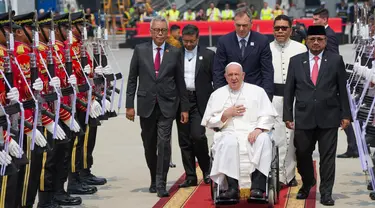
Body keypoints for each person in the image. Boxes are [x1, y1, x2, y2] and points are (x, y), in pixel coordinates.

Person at [283, 25, 351, 206]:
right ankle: (307, 182)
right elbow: (289, 91)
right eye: (312, 39)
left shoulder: (336, 60)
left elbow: (342, 91)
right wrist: (287, 115)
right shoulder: (296, 61)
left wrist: (346, 114)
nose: (315, 43)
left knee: (327, 157)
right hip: (304, 116)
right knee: (303, 153)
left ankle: (326, 192)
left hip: (329, 116)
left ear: (325, 41)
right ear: (307, 41)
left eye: (320, 39)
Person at [126, 16, 189, 198]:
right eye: (157, 30)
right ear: (151, 31)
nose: (160, 33)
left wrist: (184, 107)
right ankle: (154, 177)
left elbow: (180, 81)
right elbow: (132, 79)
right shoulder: (140, 50)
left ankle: (161, 183)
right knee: (149, 144)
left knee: (164, 143)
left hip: (168, 104)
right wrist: (129, 105)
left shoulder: (175, 52)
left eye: (163, 30)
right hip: (146, 104)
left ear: (166, 32)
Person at [202, 62, 277, 200]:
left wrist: (259, 129)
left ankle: (258, 188)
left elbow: (268, 115)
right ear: (225, 77)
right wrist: (225, 114)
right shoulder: (217, 94)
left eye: (236, 74)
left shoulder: (257, 91)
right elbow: (209, 121)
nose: (234, 77)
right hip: (228, 132)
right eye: (230, 75)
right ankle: (232, 188)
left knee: (264, 139)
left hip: (253, 130)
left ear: (243, 75)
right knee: (228, 142)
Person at [270, 15, 307, 187]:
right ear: (273, 29)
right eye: (277, 28)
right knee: (275, 138)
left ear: (291, 30)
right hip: (272, 99)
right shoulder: (267, 48)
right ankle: (275, 175)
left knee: (291, 139)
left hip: (294, 99)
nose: (280, 31)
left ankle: (290, 175)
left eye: (284, 28)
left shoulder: (300, 49)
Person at [176, 25, 214, 188]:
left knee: (198, 136)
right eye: (185, 41)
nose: (188, 44)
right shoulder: (176, 55)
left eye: (192, 41)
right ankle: (190, 175)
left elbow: (216, 79)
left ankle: (206, 170)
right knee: (184, 140)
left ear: (197, 39)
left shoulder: (208, 55)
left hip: (200, 101)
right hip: (182, 101)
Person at [213, 7, 274, 100]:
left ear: (251, 24)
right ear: (234, 23)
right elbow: (218, 71)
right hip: (230, 95)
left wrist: (267, 97)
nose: (241, 29)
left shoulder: (262, 41)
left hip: (255, 94)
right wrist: (220, 96)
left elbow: (267, 71)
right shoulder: (224, 41)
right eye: (238, 25)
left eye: (245, 25)